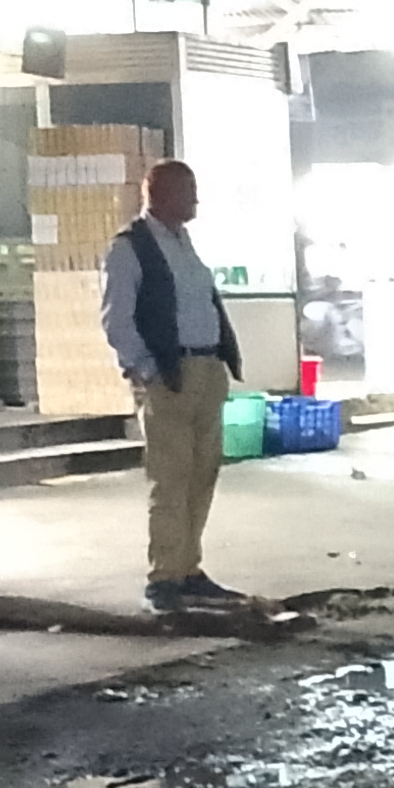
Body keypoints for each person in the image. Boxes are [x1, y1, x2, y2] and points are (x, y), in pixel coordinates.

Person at [101, 158, 245, 614]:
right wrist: (146, 369)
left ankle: (188, 569)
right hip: (169, 374)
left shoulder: (183, 243)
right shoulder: (130, 249)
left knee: (202, 475)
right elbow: (117, 319)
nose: (196, 199)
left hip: (205, 369)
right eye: (188, 190)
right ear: (159, 194)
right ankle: (164, 577)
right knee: (170, 478)